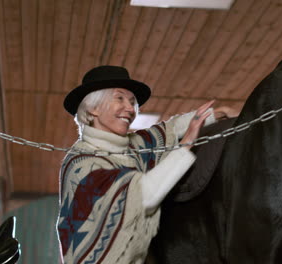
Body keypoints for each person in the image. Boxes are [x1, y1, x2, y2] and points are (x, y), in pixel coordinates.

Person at [56, 65, 238, 264]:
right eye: (120, 98)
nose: (130, 109)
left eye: (132, 102)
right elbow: (143, 195)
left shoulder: (132, 146)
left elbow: (168, 130)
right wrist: (186, 145)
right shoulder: (81, 165)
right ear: (93, 108)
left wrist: (216, 114)